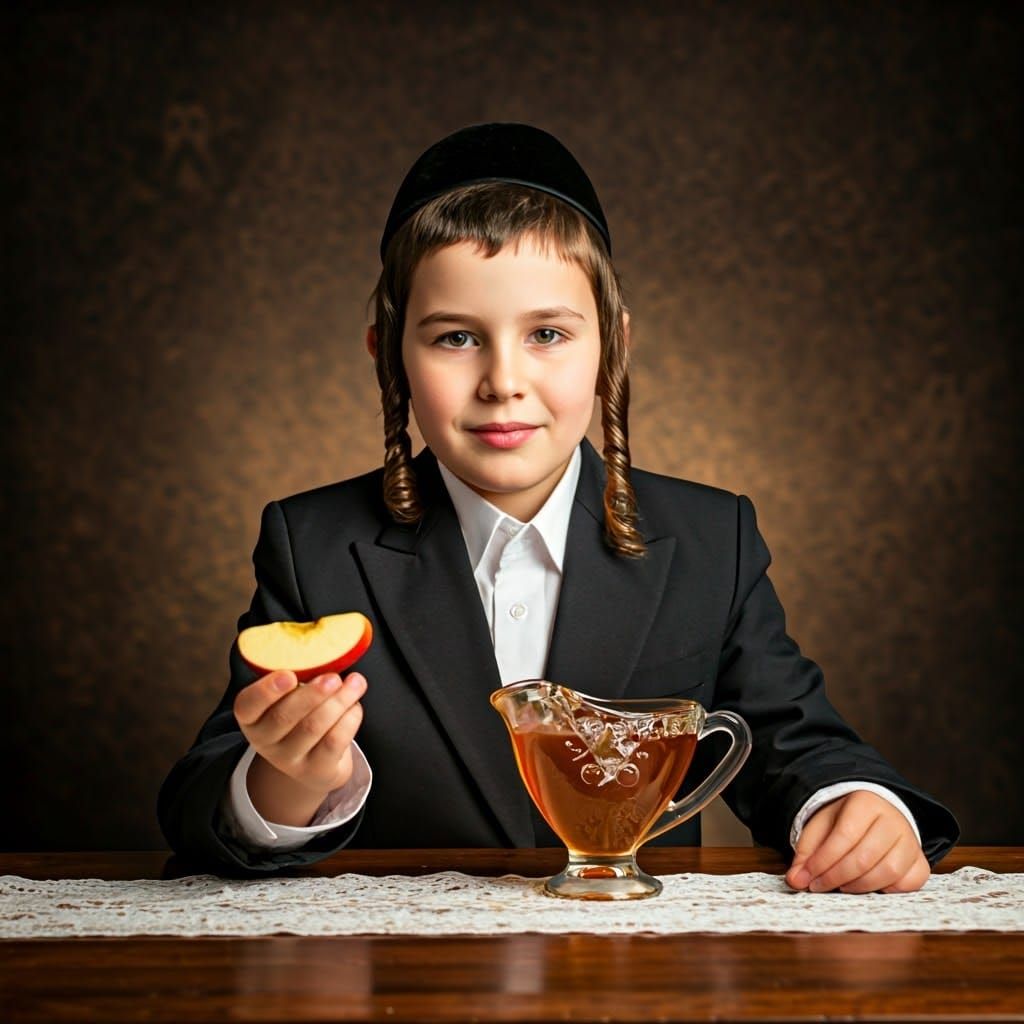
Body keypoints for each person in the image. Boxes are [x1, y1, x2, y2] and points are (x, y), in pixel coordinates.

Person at [158, 123, 959, 889]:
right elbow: (200, 803)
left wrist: (858, 806)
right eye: (455, 338)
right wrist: (286, 783)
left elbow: (795, 742)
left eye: (547, 334)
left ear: (612, 340)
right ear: (389, 354)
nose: (503, 380)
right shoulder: (315, 545)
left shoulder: (715, 540)